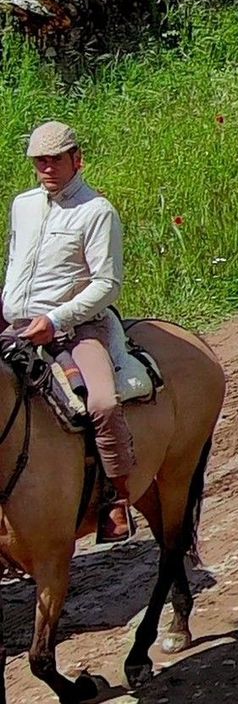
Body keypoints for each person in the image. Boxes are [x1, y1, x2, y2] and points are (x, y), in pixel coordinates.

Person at [3, 121, 134, 543]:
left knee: (102, 403)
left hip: (76, 330)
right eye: (40, 161)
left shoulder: (97, 211)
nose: (46, 168)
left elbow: (107, 284)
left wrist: (56, 320)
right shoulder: (23, 205)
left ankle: (114, 497)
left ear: (77, 159)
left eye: (55, 159)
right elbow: (16, 265)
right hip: (17, 328)